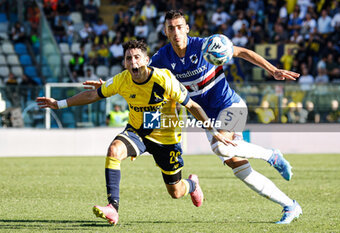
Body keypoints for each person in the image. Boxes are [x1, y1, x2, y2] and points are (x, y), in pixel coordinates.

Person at [37, 40, 234, 226]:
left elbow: (191, 105)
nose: (133, 61)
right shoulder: (122, 80)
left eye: (137, 57)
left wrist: (213, 129)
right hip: (137, 132)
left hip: (167, 138)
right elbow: (92, 95)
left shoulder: (164, 79)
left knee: (175, 191)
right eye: (129, 58)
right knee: (114, 150)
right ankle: (112, 208)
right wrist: (59, 104)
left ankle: (191, 184)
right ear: (124, 63)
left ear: (147, 60)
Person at [149, 10, 302, 224]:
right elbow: (138, 75)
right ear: (165, 31)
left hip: (232, 106)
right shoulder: (162, 58)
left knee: (221, 147)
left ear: (187, 28)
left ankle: (271, 156)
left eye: (179, 26)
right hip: (207, 119)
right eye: (171, 28)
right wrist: (109, 85)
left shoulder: (205, 45)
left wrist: (272, 69)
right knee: (239, 168)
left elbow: (240, 52)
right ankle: (290, 205)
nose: (176, 32)